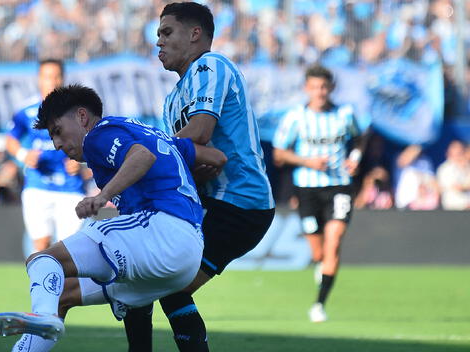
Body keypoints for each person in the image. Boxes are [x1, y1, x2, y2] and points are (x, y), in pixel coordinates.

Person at [0, 84, 227, 351]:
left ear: (82, 117)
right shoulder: (153, 134)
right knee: (63, 295)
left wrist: (103, 196)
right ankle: (41, 324)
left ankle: (43, 316)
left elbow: (142, 156)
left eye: (58, 131)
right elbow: (216, 158)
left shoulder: (98, 134)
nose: (57, 144)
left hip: (162, 231)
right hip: (185, 256)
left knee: (43, 259)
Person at [124, 3, 275, 351]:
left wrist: (152, 157)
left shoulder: (211, 65)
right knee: (147, 279)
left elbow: (201, 132)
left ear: (195, 34)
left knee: (163, 284)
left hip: (240, 202)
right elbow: (184, 157)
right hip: (207, 200)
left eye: (166, 32)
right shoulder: (171, 100)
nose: (157, 42)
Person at [272, 65, 367, 322]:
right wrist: (307, 161)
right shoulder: (295, 118)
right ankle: (320, 265)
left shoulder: (345, 114)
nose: (320, 92)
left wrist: (355, 157)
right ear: (307, 89)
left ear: (331, 88)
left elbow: (360, 138)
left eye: (324, 87)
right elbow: (279, 153)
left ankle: (319, 304)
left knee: (333, 241)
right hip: (307, 188)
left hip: (340, 185)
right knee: (318, 251)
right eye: (315, 87)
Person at [6, 59, 87, 253]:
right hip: (38, 186)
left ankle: (68, 285)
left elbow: (95, 143)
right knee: (41, 246)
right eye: (47, 77)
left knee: (69, 250)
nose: (52, 81)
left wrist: (83, 163)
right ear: (39, 80)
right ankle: (43, 283)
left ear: (63, 79)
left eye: (56, 76)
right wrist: (24, 155)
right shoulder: (27, 110)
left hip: (70, 187)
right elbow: (10, 139)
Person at [436, 140, 470, 210]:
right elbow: (457, 187)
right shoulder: (445, 169)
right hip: (454, 209)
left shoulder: (467, 166)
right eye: (457, 153)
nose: (459, 156)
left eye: (461, 152)